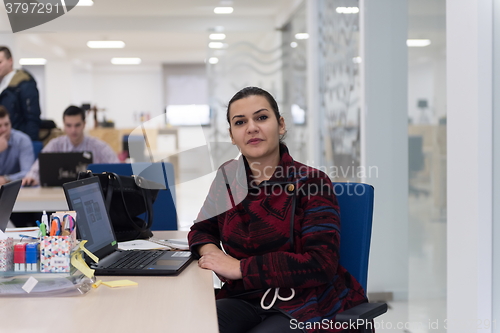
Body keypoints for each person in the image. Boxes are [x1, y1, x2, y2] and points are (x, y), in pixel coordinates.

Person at [188, 87, 367, 333]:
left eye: (261, 117)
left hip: (306, 302)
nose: (251, 127)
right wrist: (213, 255)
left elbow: (321, 263)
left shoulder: (312, 182)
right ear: (232, 135)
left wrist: (239, 268)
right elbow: (201, 229)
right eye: (240, 122)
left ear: (280, 124)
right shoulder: (228, 177)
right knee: (194, 324)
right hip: (245, 297)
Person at [23, 105, 119, 186]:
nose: (73, 130)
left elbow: (117, 168)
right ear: (64, 125)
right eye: (69, 125)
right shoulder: (55, 145)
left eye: (77, 125)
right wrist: (31, 177)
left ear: (84, 124)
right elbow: (37, 168)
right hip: (58, 194)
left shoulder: (98, 146)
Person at [0, 46, 41, 141]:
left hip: (18, 141)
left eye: (0, 62)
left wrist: (30, 143)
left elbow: (32, 118)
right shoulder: (2, 84)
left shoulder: (24, 84)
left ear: (10, 61)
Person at [0, 105, 35, 185]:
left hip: (15, 189)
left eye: (7, 124)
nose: (4, 129)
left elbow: (28, 172)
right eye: (0, 126)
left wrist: (6, 179)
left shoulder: (22, 140)